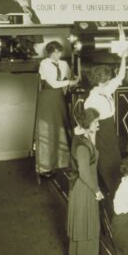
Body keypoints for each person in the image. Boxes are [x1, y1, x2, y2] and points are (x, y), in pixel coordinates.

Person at [84, 50, 128, 194]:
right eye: (108, 78)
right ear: (101, 81)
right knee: (106, 163)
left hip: (110, 128)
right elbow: (90, 127)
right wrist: (92, 147)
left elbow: (120, 76)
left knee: (115, 161)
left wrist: (123, 57)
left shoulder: (105, 90)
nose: (110, 80)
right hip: (101, 132)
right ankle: (113, 193)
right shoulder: (92, 100)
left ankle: (117, 190)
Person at [66, 107, 104, 255]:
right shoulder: (82, 146)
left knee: (86, 221)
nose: (98, 124)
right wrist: (96, 190)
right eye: (95, 122)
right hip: (84, 188)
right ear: (87, 124)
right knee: (84, 222)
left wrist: (91, 133)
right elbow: (84, 173)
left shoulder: (83, 137)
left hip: (87, 185)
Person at [36, 41, 78, 176]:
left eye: (59, 51)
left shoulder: (64, 64)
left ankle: (62, 163)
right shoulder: (44, 63)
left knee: (61, 128)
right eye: (54, 52)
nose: (57, 54)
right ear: (49, 52)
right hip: (47, 98)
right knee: (47, 129)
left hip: (59, 98)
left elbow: (71, 77)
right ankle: (45, 167)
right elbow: (53, 84)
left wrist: (74, 80)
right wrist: (69, 82)